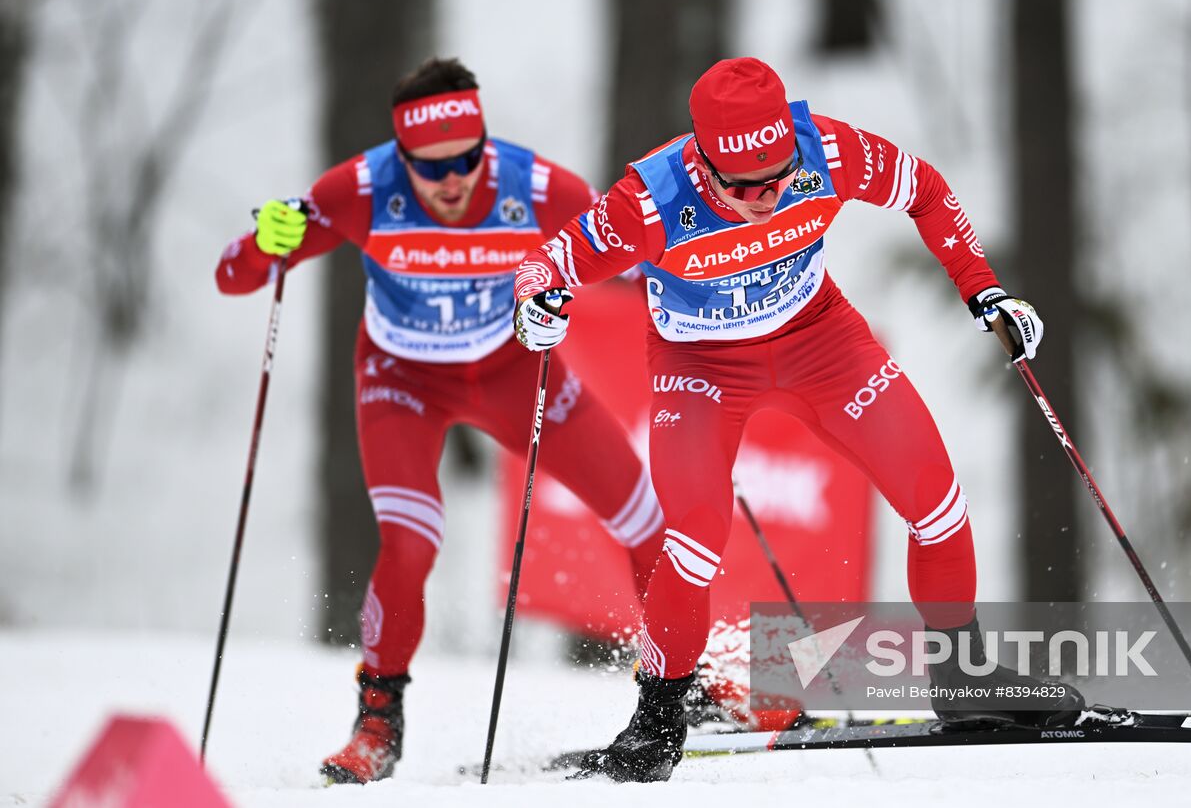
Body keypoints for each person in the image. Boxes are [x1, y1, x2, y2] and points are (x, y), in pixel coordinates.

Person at [512, 57, 1084, 782]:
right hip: (703, 364)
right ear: (702, 161)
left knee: (937, 500)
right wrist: (538, 308)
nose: (765, 196)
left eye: (779, 177)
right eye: (741, 186)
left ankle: (964, 680)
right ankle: (658, 715)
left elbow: (929, 192)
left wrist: (986, 292)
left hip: (819, 338)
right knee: (693, 540)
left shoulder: (830, 150)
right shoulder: (650, 200)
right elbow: (546, 265)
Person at [215, 57, 668, 785]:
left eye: (466, 158)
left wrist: (703, 285)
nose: (452, 180)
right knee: (410, 541)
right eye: (432, 168)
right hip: (402, 380)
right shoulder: (361, 190)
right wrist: (264, 241)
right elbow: (235, 276)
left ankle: (678, 690)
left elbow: (636, 258)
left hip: (511, 371)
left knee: (645, 516)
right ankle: (377, 721)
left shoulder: (538, 187)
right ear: (402, 159)